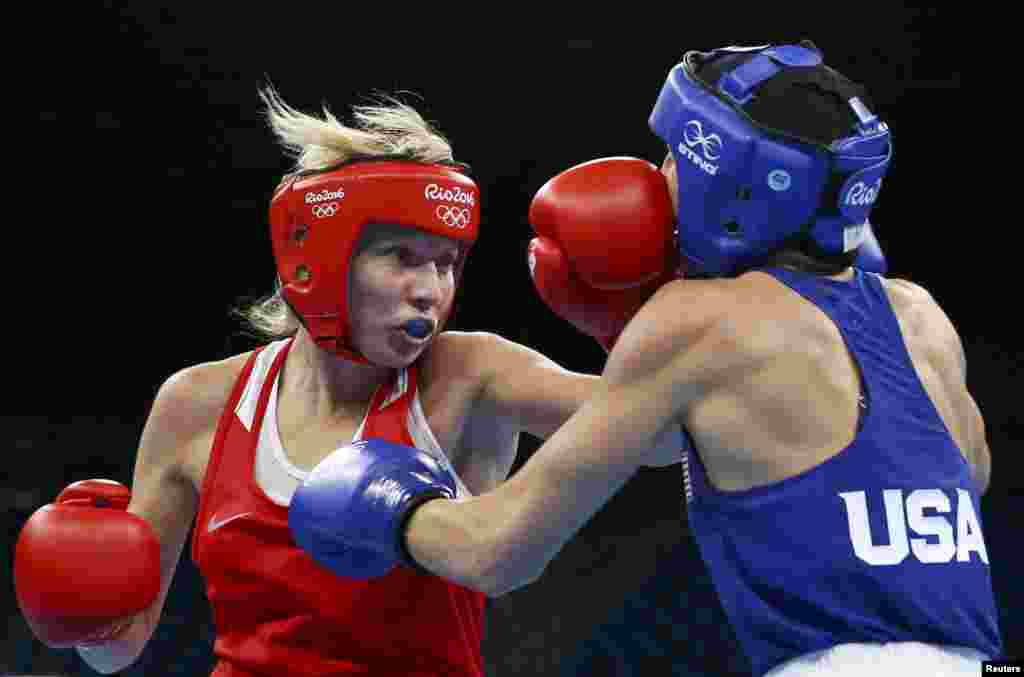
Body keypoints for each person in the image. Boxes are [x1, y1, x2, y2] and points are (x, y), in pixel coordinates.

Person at [287, 42, 1004, 675]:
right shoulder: (922, 320)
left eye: (675, 156)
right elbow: (937, 489)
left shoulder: (697, 323)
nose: (660, 173)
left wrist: (391, 505)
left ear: (734, 184)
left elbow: (498, 550)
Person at [13, 87, 678, 676]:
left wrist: (629, 326)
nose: (431, 291)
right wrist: (81, 603)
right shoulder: (197, 403)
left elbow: (662, 432)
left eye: (446, 263)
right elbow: (120, 646)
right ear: (323, 258)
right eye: (404, 257)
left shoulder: (469, 374)